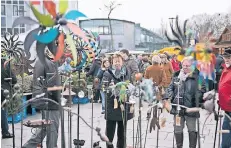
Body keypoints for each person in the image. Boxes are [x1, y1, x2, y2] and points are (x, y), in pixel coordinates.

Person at [165, 56, 206, 148]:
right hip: (177, 109)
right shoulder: (176, 75)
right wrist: (169, 97)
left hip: (190, 109)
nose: (184, 67)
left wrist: (194, 100)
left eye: (187, 66)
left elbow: (202, 91)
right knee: (177, 129)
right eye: (183, 65)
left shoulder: (198, 77)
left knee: (192, 129)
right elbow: (170, 88)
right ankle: (179, 146)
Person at [23, 50, 61, 148]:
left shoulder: (40, 61)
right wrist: (59, 100)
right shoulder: (49, 63)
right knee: (52, 129)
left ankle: (28, 146)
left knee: (45, 127)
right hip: (50, 101)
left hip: (43, 99)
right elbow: (53, 85)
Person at [102, 54, 133, 148]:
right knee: (110, 131)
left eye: (119, 61)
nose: (117, 63)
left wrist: (129, 89)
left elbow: (130, 83)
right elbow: (104, 87)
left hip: (123, 104)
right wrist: (113, 88)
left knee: (122, 132)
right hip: (112, 104)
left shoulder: (126, 72)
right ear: (112, 62)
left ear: (122, 62)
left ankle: (121, 146)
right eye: (115, 61)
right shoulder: (107, 73)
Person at [218, 48, 231, 148]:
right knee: (226, 132)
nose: (227, 59)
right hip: (226, 108)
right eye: (225, 57)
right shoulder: (226, 68)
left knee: (226, 133)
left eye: (229, 57)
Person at [1, 59, 17, 139]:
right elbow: (14, 79)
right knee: (3, 112)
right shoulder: (5, 65)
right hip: (4, 92)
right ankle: (5, 132)